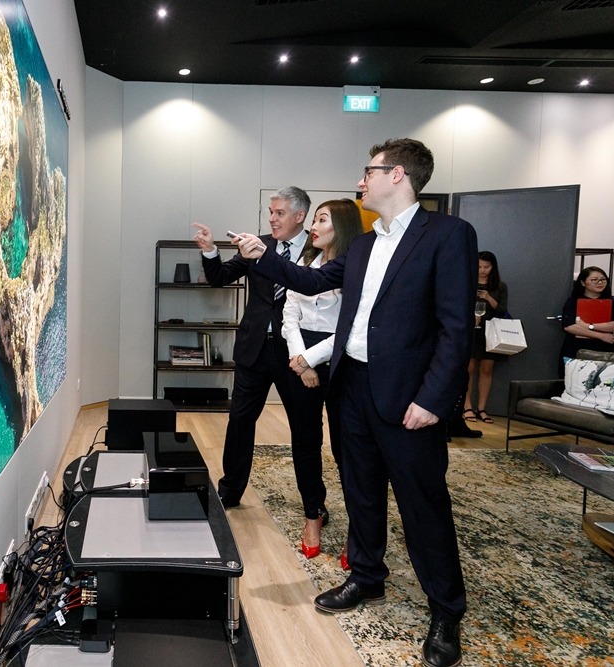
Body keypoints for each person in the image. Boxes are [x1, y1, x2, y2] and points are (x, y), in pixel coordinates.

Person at [235, 138, 475, 667]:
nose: (361, 181)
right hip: (352, 387)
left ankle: (446, 610)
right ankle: (367, 577)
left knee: (423, 507)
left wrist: (434, 399)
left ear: (399, 175)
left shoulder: (448, 235)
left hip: (410, 397)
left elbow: (456, 329)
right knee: (361, 491)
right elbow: (312, 279)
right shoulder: (363, 245)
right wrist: (264, 256)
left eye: (369, 172)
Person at [192, 186, 311, 509]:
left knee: (304, 430)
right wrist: (210, 250)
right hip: (253, 350)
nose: (272, 219)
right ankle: (229, 492)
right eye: (270, 212)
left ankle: (313, 502)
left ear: (300, 216)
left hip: (297, 354)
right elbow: (220, 277)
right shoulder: (259, 244)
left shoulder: (317, 248)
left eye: (280, 213)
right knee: (240, 422)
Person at [281, 199, 363, 563]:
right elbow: (289, 315)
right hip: (302, 358)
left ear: (341, 227)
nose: (313, 226)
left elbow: (350, 327)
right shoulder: (305, 264)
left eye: (322, 219)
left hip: (342, 360)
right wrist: (301, 362)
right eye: (314, 219)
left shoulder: (355, 270)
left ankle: (358, 529)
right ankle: (312, 515)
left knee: (348, 450)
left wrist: (311, 359)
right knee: (305, 442)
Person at [464, 251, 508, 424]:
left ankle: (482, 408)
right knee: (468, 369)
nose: (482, 270)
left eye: (486, 267)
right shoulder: (467, 282)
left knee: (487, 369)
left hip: (490, 331)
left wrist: (488, 297)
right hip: (470, 330)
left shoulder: (499, 286)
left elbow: (502, 310)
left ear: (492, 267)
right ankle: (467, 406)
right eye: (479, 266)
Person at [558, 266, 614, 374]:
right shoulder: (573, 301)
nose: (599, 282)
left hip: (604, 349)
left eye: (603, 279)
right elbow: (569, 326)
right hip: (576, 348)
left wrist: (588, 326)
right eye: (594, 280)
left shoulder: (613, 301)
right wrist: (601, 335)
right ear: (583, 283)